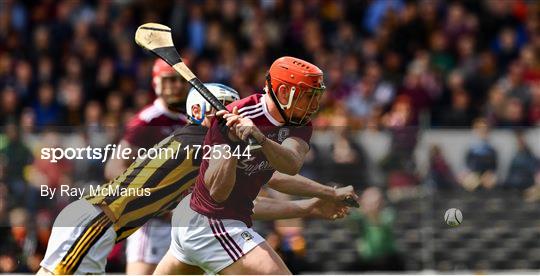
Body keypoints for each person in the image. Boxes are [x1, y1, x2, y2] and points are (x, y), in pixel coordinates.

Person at [38, 82, 355, 275]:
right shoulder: (198, 146)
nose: (234, 111)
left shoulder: (199, 145)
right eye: (227, 107)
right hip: (95, 222)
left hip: (99, 227)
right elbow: (255, 181)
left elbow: (266, 183)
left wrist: (321, 197)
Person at [155, 56, 338, 275]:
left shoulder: (299, 124)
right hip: (209, 220)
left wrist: (325, 195)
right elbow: (218, 193)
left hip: (213, 218)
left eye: (316, 96)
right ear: (283, 93)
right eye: (308, 96)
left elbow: (289, 167)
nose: (315, 105)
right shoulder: (232, 119)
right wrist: (233, 144)